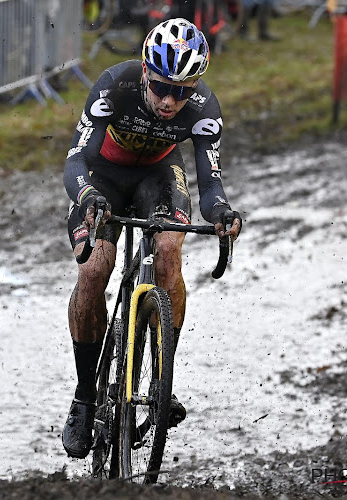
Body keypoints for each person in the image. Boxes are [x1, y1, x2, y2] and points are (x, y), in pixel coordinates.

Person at [61, 18, 242, 459]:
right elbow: (76, 158)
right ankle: (85, 397)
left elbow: (211, 185)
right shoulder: (113, 87)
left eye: (182, 91)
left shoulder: (203, 109)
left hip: (158, 176)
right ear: (145, 72)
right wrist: (87, 195)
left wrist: (221, 214)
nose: (169, 100)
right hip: (103, 175)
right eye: (162, 87)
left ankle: (163, 378)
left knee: (167, 250)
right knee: (95, 271)